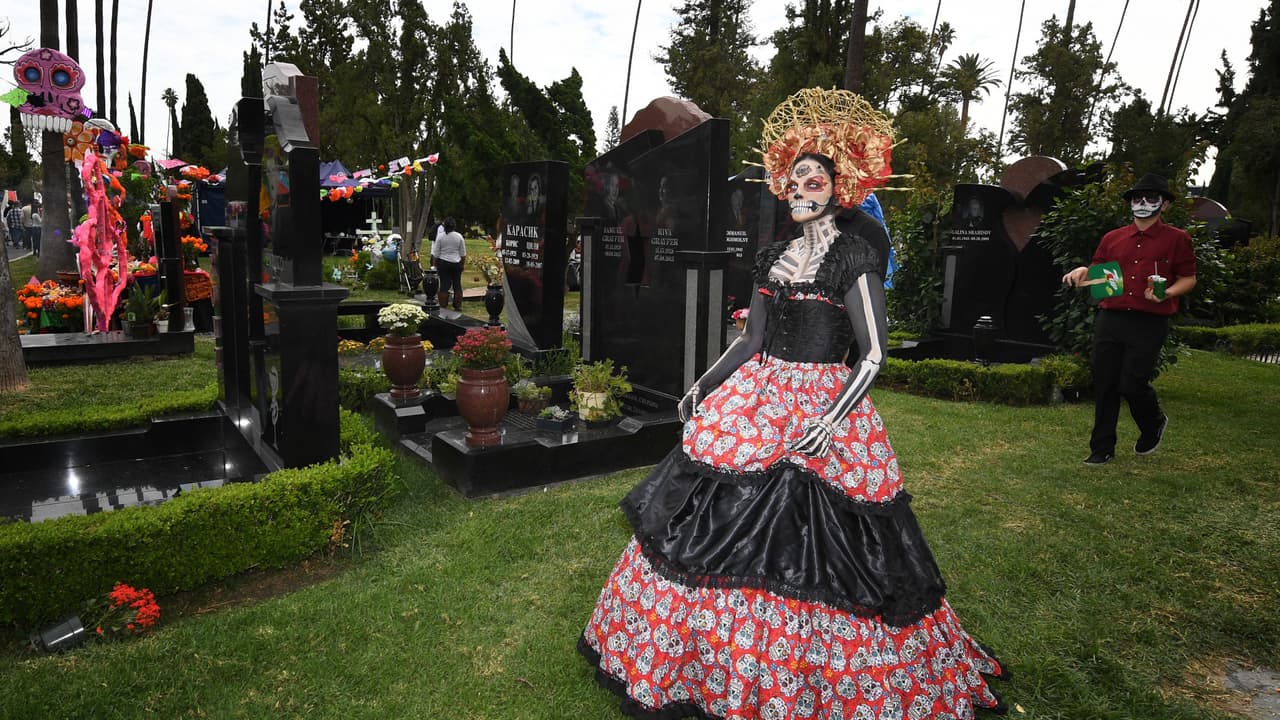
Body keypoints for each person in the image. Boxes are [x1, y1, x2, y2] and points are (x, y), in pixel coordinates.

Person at [579, 88, 1007, 720]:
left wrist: (830, 422)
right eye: (796, 178)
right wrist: (705, 382)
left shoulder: (856, 257)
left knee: (825, 527)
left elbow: (874, 356)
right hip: (760, 394)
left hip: (824, 403)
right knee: (710, 504)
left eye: (817, 178)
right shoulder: (773, 256)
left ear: (840, 188)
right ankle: (699, 657)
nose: (804, 187)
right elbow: (752, 339)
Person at [1061, 173, 1197, 465]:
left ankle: (1153, 423)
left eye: (1151, 198)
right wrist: (1083, 271)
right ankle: (1102, 448)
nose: (1143, 203)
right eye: (1138, 198)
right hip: (1111, 317)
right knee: (1105, 381)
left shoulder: (1177, 239)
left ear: (1165, 205)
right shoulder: (1113, 238)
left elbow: (1189, 278)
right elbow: (1099, 270)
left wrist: (1168, 292)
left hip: (1149, 321)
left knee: (1133, 384)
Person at [431, 216, 466, 311]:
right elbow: (463, 254)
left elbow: (436, 253)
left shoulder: (441, 236)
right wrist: (462, 265)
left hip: (443, 263)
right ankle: (458, 305)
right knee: (457, 285)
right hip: (456, 263)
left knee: (444, 285)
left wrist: (434, 265)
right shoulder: (459, 236)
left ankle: (443, 305)